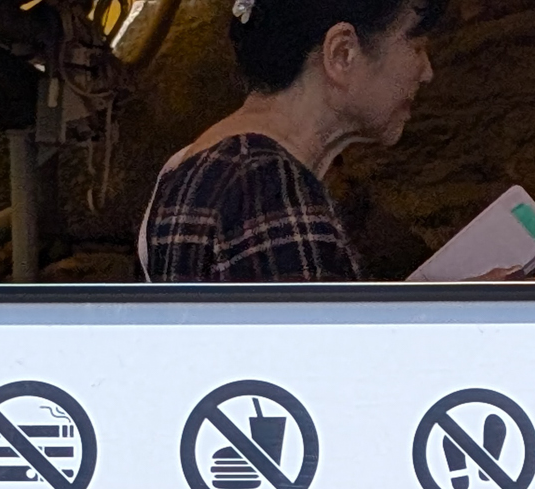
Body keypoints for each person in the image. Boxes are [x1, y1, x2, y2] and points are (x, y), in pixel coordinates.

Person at [139, 0, 441, 281]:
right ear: (342, 52)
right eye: (417, 47)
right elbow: (313, 324)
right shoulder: (265, 187)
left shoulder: (196, 168)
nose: (427, 72)